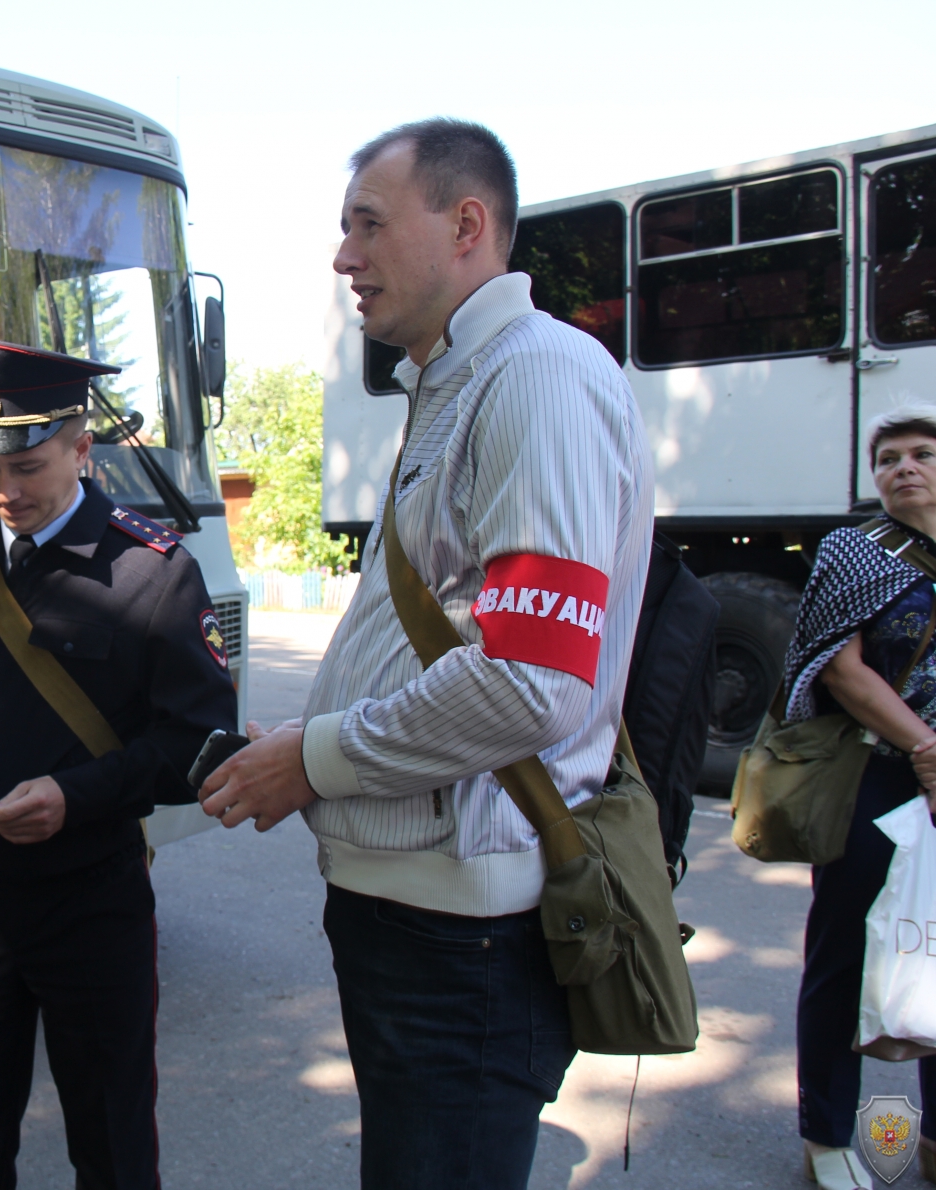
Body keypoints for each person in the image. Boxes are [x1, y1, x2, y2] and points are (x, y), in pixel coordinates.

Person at [199, 118, 653, 1188]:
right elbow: (450, 636)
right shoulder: (462, 379)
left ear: (464, 224)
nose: (341, 257)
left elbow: (529, 679)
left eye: (366, 223)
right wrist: (311, 737)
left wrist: (310, 759)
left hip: (465, 946)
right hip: (422, 923)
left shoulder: (533, 377)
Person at [0, 337, 238, 1190]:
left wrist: (74, 798)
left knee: (111, 1147)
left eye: (29, 467)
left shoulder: (152, 573)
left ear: (83, 449)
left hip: (89, 906)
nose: (4, 490)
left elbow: (196, 743)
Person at [777, 405, 936, 1190]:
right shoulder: (854, 550)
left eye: (922, 454)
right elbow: (840, 669)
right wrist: (926, 747)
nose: (903, 467)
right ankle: (828, 1132)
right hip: (874, 775)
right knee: (845, 954)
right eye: (888, 458)